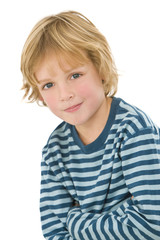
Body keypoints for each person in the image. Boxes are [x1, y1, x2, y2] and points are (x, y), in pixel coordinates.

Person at [21, 10, 160, 240]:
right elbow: (55, 232)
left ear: (101, 68)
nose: (65, 94)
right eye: (48, 85)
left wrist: (76, 222)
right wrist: (124, 211)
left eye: (75, 75)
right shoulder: (54, 151)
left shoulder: (134, 131)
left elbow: (152, 225)